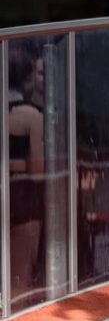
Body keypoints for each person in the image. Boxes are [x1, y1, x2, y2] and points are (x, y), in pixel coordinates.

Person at [8, 42, 45, 307]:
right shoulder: (30, 115)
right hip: (21, 199)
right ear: (27, 78)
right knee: (18, 285)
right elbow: (38, 172)